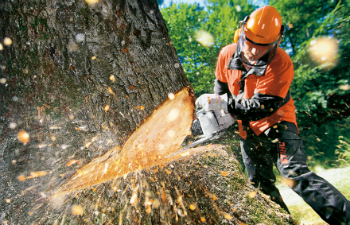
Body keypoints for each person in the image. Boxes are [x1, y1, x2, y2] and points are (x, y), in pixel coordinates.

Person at [195, 6, 350, 224]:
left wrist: (224, 103)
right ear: (242, 33)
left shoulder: (281, 62)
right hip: (247, 129)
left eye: (263, 46)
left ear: (275, 41)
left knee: (294, 175)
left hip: (278, 124)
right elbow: (220, 88)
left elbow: (262, 106)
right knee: (260, 186)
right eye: (251, 43)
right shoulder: (226, 54)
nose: (255, 50)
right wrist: (219, 109)